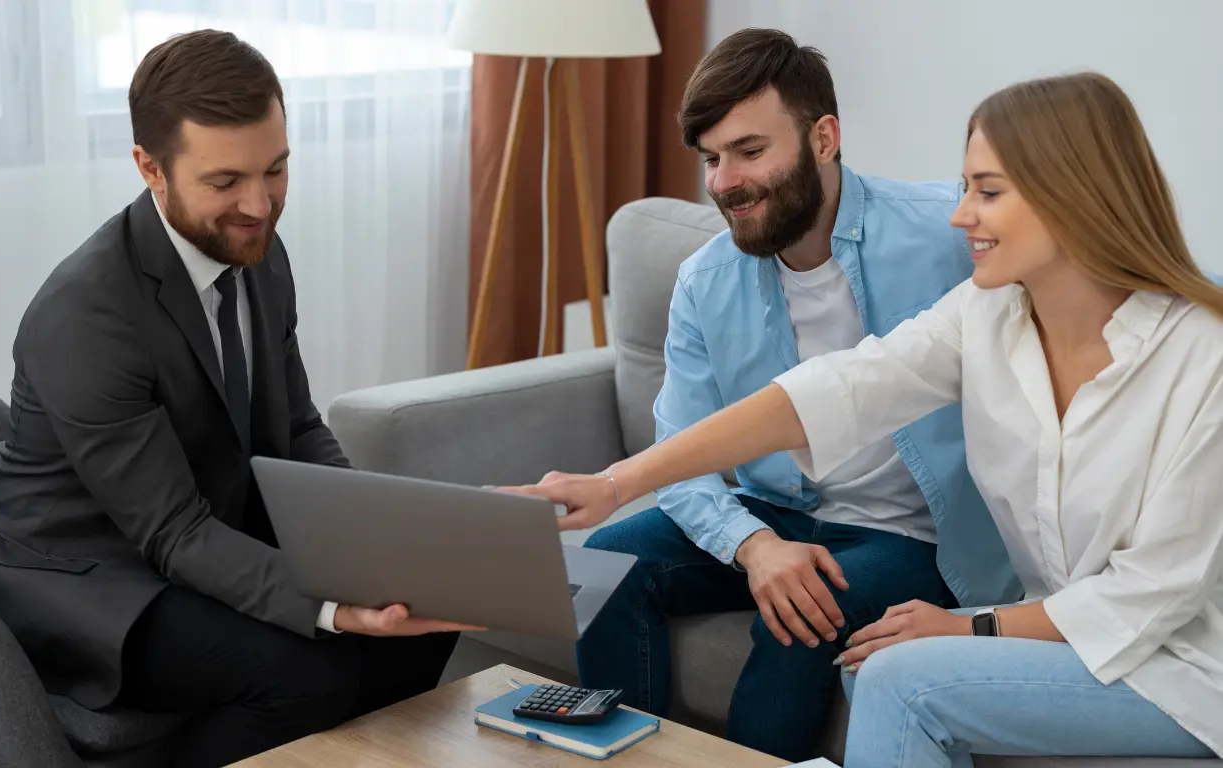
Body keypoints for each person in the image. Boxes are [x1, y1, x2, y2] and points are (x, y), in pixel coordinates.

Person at [507, 71, 1222, 766]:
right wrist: (617, 482)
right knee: (875, 664)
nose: (960, 213)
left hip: (1184, 665)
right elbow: (837, 390)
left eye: (987, 192)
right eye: (966, 185)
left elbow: (1152, 592)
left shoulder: (1201, 355)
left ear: (1076, 197)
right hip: (1064, 628)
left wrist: (970, 626)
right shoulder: (989, 314)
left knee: (893, 677)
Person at [0, 30, 472, 768]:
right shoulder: (86, 313)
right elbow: (173, 534)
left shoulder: (255, 249)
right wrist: (330, 603)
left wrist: (376, 542)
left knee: (425, 621)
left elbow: (292, 426)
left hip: (192, 535)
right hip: (81, 576)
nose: (260, 204)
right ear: (150, 168)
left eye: (277, 169)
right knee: (305, 669)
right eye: (225, 182)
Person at [547, 28, 1019, 761]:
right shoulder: (706, 280)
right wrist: (755, 544)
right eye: (711, 158)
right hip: (782, 512)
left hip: (918, 533)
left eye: (749, 150)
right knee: (604, 565)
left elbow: (1094, 269)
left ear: (823, 137)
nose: (723, 181)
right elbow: (682, 451)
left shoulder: (948, 233)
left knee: (801, 611)